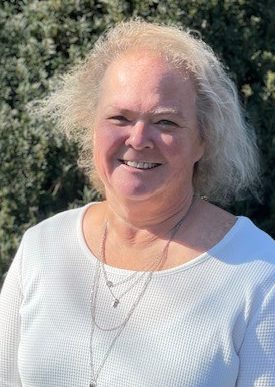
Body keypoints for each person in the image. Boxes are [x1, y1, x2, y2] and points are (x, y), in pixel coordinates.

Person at [0, 20, 274, 387]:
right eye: (120, 117)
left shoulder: (258, 272)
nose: (139, 138)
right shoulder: (42, 247)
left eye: (165, 121)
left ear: (203, 140)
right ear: (90, 127)